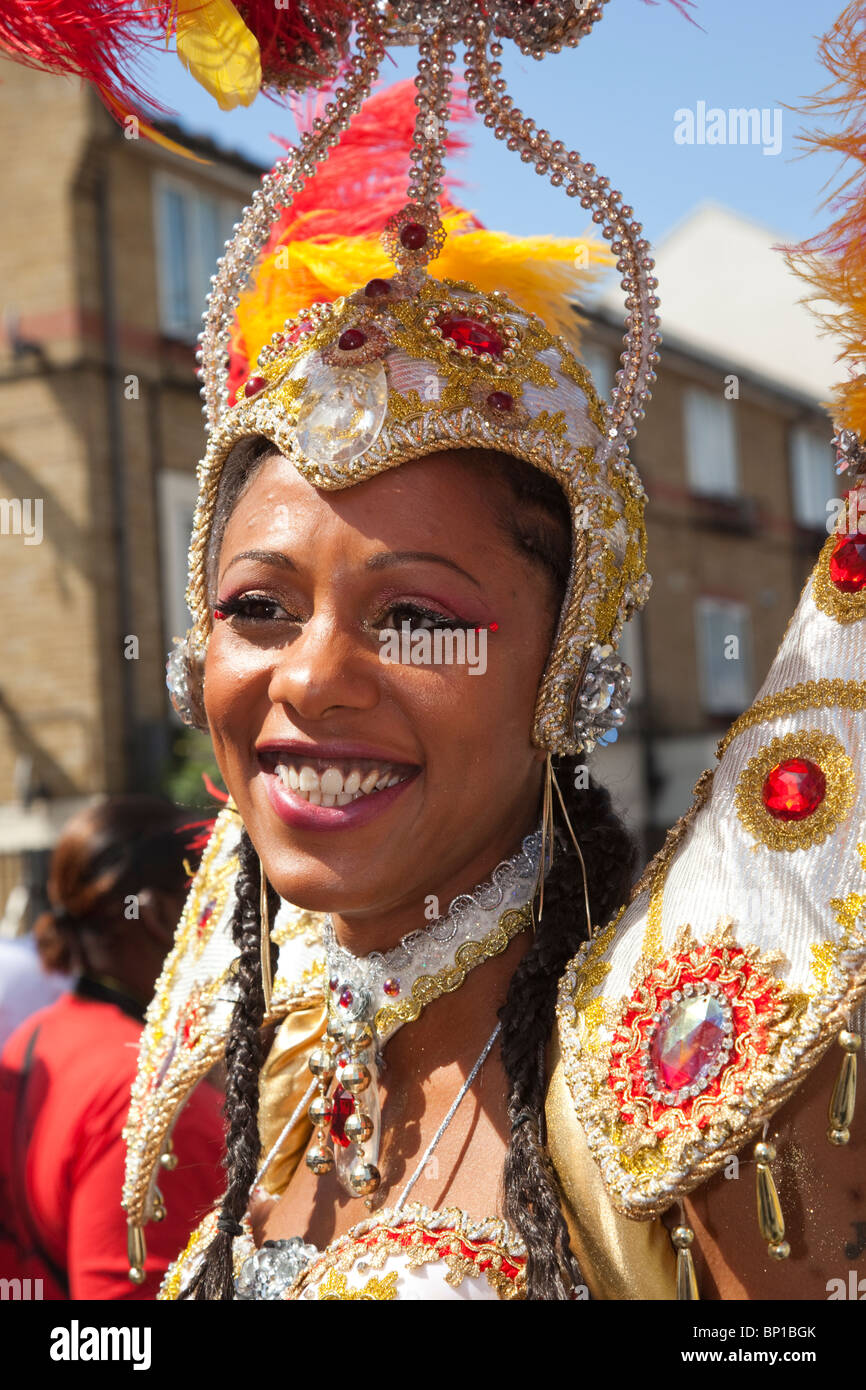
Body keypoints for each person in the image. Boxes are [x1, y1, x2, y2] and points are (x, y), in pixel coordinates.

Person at [3, 1, 863, 1301]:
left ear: (563, 664)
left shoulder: (684, 1110)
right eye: (258, 607)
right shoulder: (260, 1041)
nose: (310, 676)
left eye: (416, 617)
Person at [0, 796, 225, 1299]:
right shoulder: (157, 1100)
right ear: (163, 914)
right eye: (227, 902)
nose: (246, 933)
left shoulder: (37, 1035)